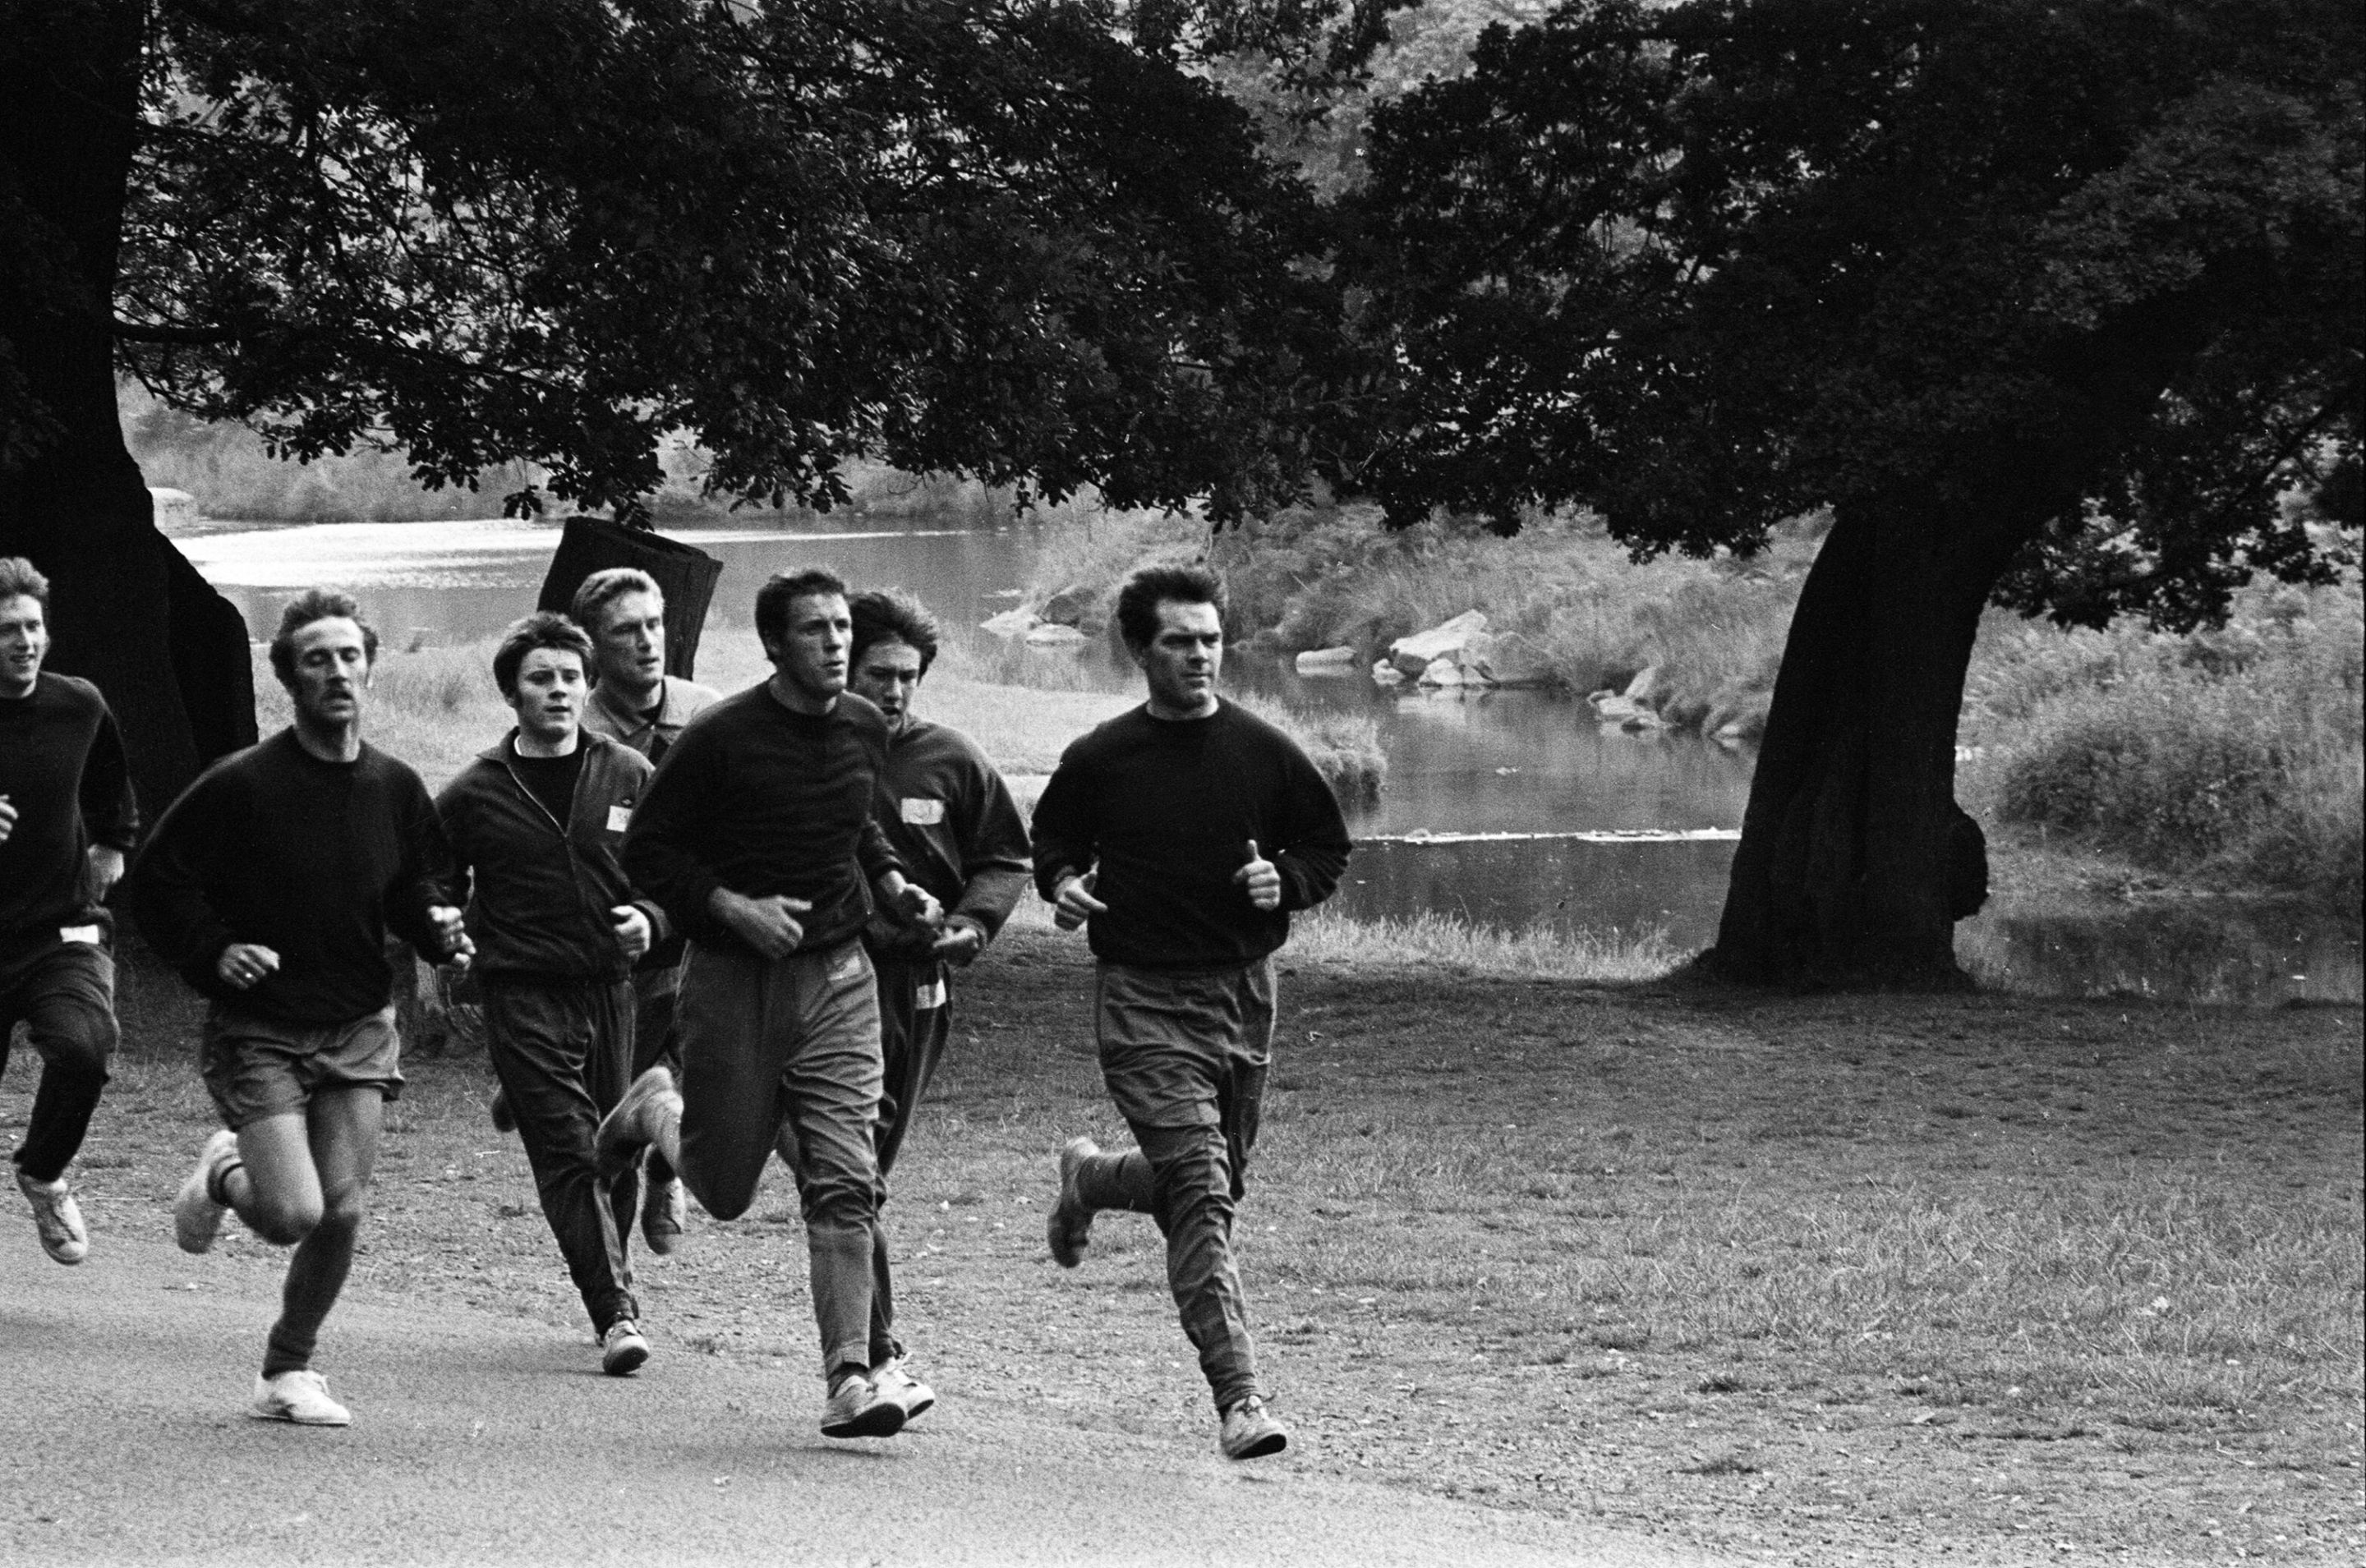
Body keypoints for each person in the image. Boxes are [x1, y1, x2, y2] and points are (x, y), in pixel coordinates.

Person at [595, 568, 942, 1440]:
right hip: (733, 978)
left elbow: (854, 819)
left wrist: (893, 881)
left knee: (846, 1176)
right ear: (774, 646)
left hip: (840, 976)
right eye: (816, 629)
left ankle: (853, 1376)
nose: (836, 642)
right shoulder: (720, 736)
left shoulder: (864, 725)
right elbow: (650, 851)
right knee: (724, 1189)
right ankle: (654, 1109)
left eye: (841, 627)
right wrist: (732, 907)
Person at [1032, 563, 1352, 1461]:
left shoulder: (1264, 750)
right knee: (1203, 1194)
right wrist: (1061, 884)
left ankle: (1091, 1179)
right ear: (1141, 650)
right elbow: (1051, 839)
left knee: (1210, 1182)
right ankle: (1240, 1396)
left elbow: (1327, 846)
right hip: (1139, 999)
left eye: (1211, 639)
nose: (1201, 655)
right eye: (1180, 640)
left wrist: (1282, 880)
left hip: (1243, 997)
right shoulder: (1101, 757)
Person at [131, 589, 471, 1427]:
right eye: (317, 658)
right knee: (291, 1213)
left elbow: (419, 885)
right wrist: (214, 948)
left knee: (343, 1206)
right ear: (291, 678)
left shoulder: (394, 785)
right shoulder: (244, 783)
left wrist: (439, 928)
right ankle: (224, 1169)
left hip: (358, 1020)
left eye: (349, 654)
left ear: (368, 664)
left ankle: (288, 1368)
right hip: (262, 1028)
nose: (337, 671)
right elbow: (158, 878)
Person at [780, 587, 1030, 1419]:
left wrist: (973, 922)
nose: (893, 692)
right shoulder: (798, 750)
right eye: (878, 673)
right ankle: (875, 1358)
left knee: (861, 1170)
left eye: (908, 677)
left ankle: (871, 1352)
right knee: (846, 1172)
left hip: (916, 990)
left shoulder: (950, 759)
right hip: (815, 979)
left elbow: (1004, 858)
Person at [435, 612, 667, 1377]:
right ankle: (616, 1313)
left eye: (571, 675)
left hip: (611, 990)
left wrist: (653, 920)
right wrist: (445, 931)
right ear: (513, 693)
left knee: (616, 1152)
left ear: (588, 684)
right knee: (570, 1153)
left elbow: (671, 875)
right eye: (542, 677)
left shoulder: (629, 772)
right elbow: (435, 885)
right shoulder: (474, 790)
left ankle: (610, 1273)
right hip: (522, 991)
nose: (559, 689)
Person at [565, 567, 721, 1256]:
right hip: (616, 956)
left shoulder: (710, 714)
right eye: (627, 630)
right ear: (595, 647)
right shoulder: (574, 730)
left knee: (710, 1091)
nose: (647, 641)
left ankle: (666, 1169)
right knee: (607, 1117)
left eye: (654, 624)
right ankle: (614, 1288)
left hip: (707, 941)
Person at [0, 557, 138, 1267]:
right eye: (6, 631)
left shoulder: (78, 703)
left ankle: (43, 1172)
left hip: (61, 929)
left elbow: (113, 779)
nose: (24, 642)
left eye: (32, 627)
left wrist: (115, 841)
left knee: (85, 1047)